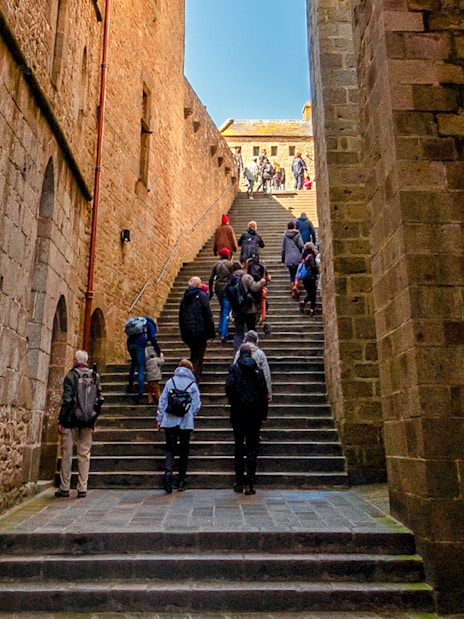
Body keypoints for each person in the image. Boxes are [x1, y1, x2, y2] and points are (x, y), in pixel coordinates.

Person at [55, 350, 103, 499]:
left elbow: (67, 400)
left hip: (71, 421)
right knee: (84, 455)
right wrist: (93, 420)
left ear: (76, 360)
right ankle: (82, 487)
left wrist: (62, 420)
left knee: (67, 454)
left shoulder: (71, 376)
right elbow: (99, 399)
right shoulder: (95, 376)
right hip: (87, 421)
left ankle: (65, 487)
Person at [225, 344, 268, 495]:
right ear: (250, 354)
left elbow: (229, 388)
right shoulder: (258, 370)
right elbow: (263, 393)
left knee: (238, 447)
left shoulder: (234, 369)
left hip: (238, 413)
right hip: (254, 414)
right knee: (252, 447)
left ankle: (239, 482)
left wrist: (234, 403)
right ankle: (250, 481)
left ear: (240, 354)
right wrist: (264, 414)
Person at [157, 359, 201, 493]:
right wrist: (189, 414)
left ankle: (168, 472)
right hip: (185, 422)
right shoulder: (192, 384)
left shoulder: (171, 382)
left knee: (170, 448)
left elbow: (163, 401)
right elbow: (196, 404)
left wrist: (159, 418)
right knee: (183, 450)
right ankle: (181, 479)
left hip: (170, 420)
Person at [179, 276, 215, 381]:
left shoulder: (185, 297)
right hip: (200, 331)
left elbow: (181, 316)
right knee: (198, 355)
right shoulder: (202, 296)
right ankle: (193, 378)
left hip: (188, 332)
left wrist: (183, 333)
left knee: (194, 353)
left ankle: (193, 375)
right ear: (199, 285)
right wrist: (211, 332)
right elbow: (207, 314)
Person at [225, 262, 267, 352]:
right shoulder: (246, 276)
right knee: (251, 330)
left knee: (239, 333)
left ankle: (237, 351)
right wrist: (262, 282)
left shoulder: (230, 279)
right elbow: (255, 288)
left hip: (237, 310)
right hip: (249, 308)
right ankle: (253, 351)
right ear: (242, 268)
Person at [127, 315, 161, 405]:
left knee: (133, 364)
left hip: (130, 344)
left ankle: (130, 386)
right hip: (139, 345)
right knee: (141, 369)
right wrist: (158, 350)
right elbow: (153, 338)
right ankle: (140, 396)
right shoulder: (150, 324)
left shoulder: (138, 322)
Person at [233, 331, 272, 402]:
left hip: (241, 390)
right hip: (256, 390)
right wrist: (268, 392)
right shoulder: (260, 353)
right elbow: (266, 374)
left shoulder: (239, 353)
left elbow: (234, 371)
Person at [208, 247, 234, 343]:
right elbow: (233, 277)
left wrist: (210, 292)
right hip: (227, 289)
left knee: (223, 308)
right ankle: (224, 333)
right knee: (226, 309)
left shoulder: (216, 265)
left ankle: (220, 328)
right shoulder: (230, 264)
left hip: (218, 288)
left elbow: (211, 279)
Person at [281, 221, 304, 298]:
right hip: (297, 256)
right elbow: (301, 245)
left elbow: (283, 249)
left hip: (289, 258)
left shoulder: (285, 235)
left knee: (291, 274)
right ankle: (296, 287)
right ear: (294, 226)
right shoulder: (297, 234)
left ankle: (292, 291)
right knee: (297, 274)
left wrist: (283, 260)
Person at [298, 244, 319, 315]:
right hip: (310, 277)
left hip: (305, 278)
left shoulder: (304, 257)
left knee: (311, 294)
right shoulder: (311, 256)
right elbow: (313, 266)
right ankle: (305, 303)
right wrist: (316, 272)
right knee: (313, 294)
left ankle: (311, 309)